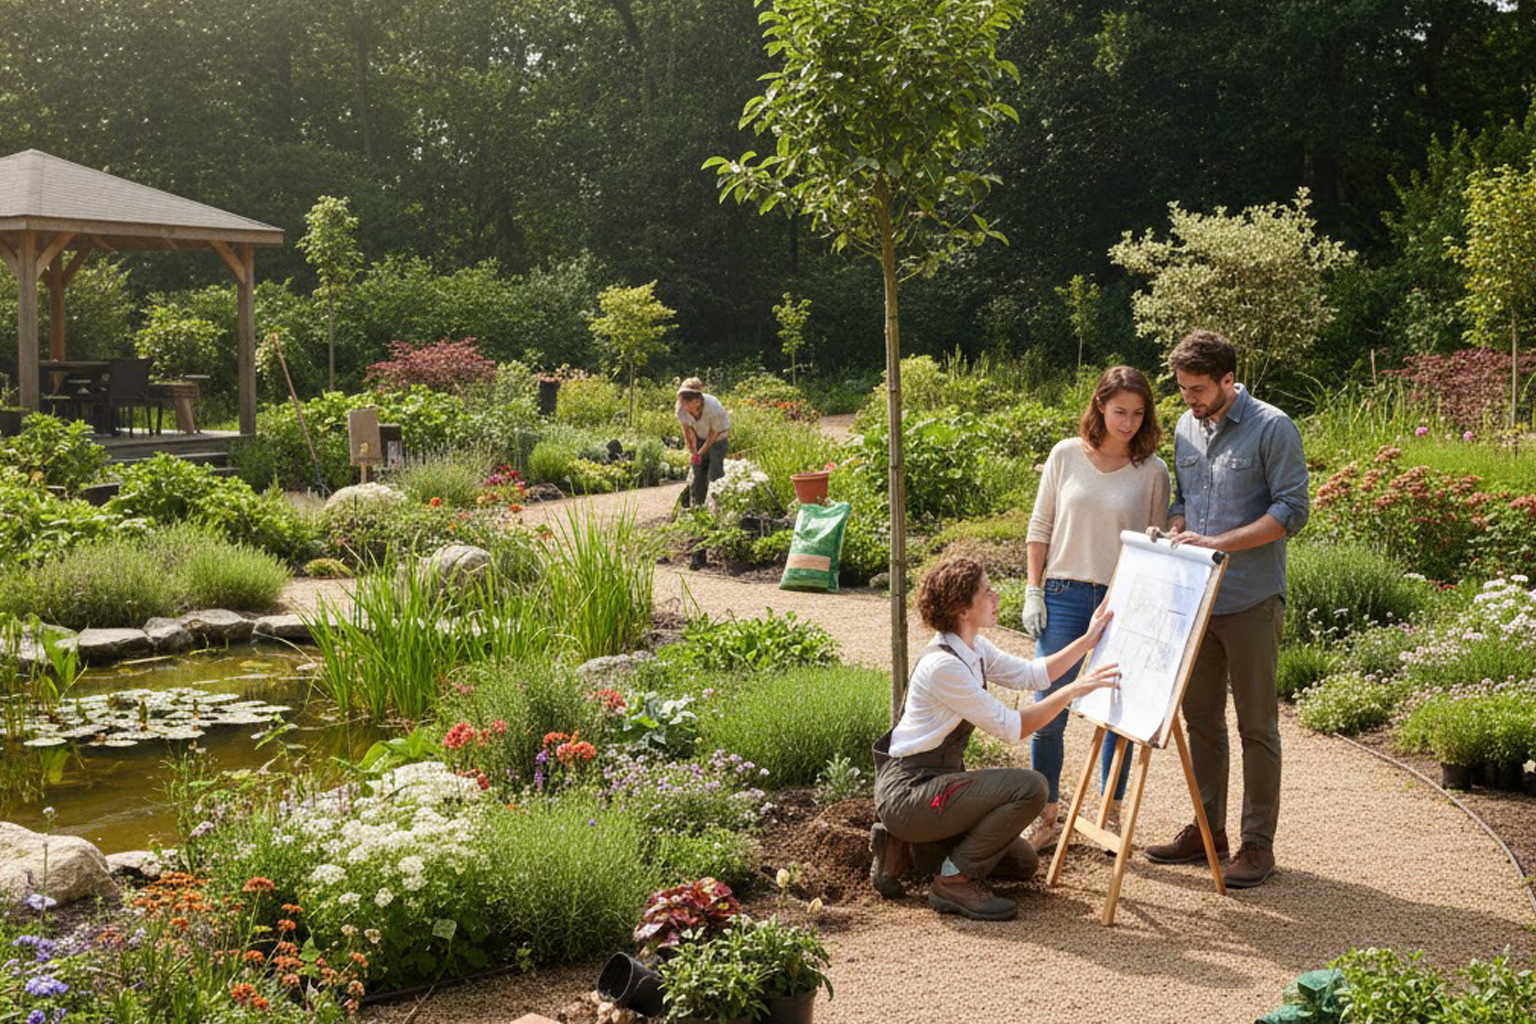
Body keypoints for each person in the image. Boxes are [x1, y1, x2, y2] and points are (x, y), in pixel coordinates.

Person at [1143, 329, 1309, 889]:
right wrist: (1176, 530)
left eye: (1196, 389)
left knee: (1256, 726)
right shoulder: (1188, 428)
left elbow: (1291, 511)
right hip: (1197, 603)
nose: (1187, 399)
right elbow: (1184, 501)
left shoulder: (1273, 427)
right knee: (1201, 724)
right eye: (1183, 388)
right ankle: (1207, 832)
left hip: (1250, 600)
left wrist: (1220, 545)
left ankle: (1257, 846)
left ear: (1228, 381)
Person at [869, 557, 1121, 921]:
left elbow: (1033, 675)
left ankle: (903, 849)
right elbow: (1012, 728)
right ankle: (952, 882)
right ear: (962, 610)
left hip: (934, 788)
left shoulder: (973, 648)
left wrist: (1088, 640)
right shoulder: (944, 666)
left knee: (1022, 863)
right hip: (910, 793)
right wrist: (1072, 692)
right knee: (1032, 787)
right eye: (986, 592)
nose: (996, 596)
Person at [1019, 366, 1170, 856]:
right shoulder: (1066, 456)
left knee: (1115, 712)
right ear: (1100, 406)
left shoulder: (1152, 472)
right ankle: (1045, 815)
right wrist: (1033, 589)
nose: (1128, 422)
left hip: (1121, 599)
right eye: (1119, 411)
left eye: (1137, 413)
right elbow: (1040, 526)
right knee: (1049, 708)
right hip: (1062, 594)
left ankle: (1110, 812)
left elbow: (1153, 547)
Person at [675, 377, 730, 508]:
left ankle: (716, 508)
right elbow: (687, 429)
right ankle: (697, 507)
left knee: (714, 473)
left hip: (718, 437)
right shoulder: (680, 408)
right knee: (697, 472)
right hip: (700, 435)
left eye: (695, 402)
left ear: (700, 399)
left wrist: (701, 451)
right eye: (687, 402)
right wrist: (692, 449)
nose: (692, 406)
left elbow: (714, 433)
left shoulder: (713, 406)